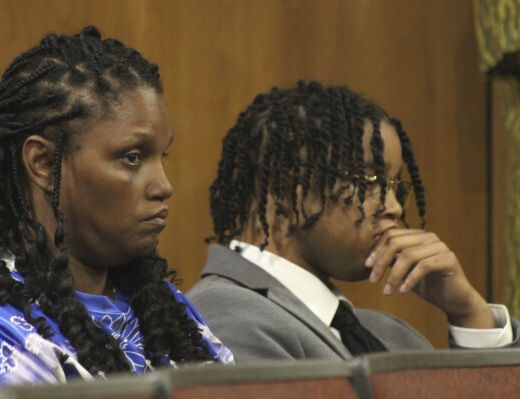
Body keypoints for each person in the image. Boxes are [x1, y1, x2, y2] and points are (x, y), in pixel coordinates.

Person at [0, 26, 232, 398]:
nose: (163, 186)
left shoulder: (165, 308)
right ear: (42, 162)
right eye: (132, 158)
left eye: (159, 156)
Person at [188, 80, 518, 362]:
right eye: (368, 179)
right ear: (287, 188)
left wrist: (471, 316)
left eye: (394, 186)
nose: (394, 208)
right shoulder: (222, 317)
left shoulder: (391, 334)